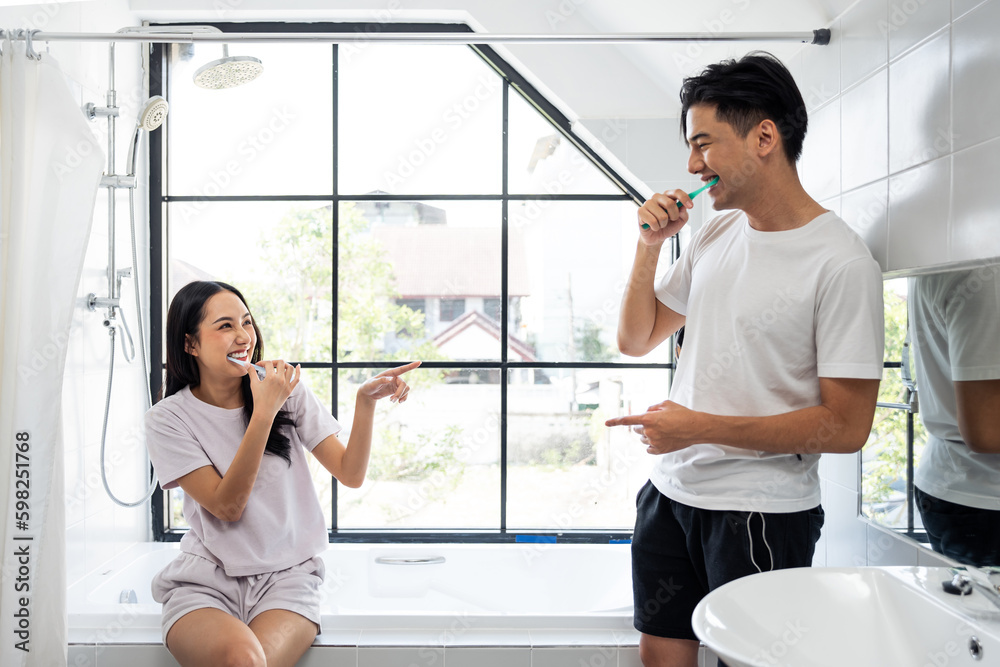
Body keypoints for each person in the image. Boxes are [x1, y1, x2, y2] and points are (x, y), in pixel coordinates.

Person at [605, 52, 884, 667]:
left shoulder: (841, 263)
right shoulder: (715, 233)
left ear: (764, 137)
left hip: (758, 513)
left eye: (703, 143)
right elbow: (636, 337)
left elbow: (846, 427)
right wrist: (649, 246)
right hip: (669, 496)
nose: (691, 164)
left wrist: (698, 426)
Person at [144, 280, 419, 667]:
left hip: (287, 578)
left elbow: (350, 473)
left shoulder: (287, 391)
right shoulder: (168, 419)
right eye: (225, 326)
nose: (243, 337)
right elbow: (227, 506)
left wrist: (365, 402)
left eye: (247, 322)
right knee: (240, 659)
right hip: (206, 579)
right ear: (190, 344)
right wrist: (264, 411)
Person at [909, 266, 1000, 567]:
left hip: (961, 489)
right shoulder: (989, 274)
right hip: (985, 501)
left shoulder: (945, 258)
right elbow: (987, 431)